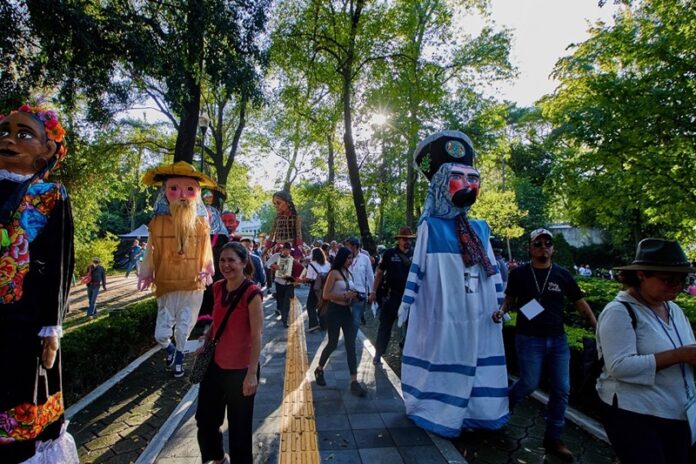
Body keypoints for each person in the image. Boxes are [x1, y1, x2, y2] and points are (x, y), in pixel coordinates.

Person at [398, 130, 509, 437]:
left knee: (477, 356)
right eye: (458, 177)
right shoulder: (430, 229)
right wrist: (406, 305)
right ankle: (439, 411)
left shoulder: (481, 229)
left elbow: (493, 273)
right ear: (440, 183)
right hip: (443, 314)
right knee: (446, 356)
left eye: (473, 178)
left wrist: (501, 304)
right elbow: (417, 271)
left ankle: (480, 412)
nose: (468, 185)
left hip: (479, 315)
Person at [0, 104, 79, 463]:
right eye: (5, 131)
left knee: (22, 406)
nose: (9, 140)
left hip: (26, 324)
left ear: (48, 150)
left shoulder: (49, 196)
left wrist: (52, 327)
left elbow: (59, 263)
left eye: (24, 134)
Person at [492, 228, 597, 461]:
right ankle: (502, 407)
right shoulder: (519, 274)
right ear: (529, 248)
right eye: (537, 244)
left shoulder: (562, 275)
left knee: (561, 390)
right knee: (529, 383)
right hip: (529, 338)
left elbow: (580, 304)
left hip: (558, 340)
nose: (543, 247)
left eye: (547, 243)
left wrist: (598, 327)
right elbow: (509, 300)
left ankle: (553, 438)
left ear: (553, 248)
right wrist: (500, 311)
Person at [595, 238, 696, 464]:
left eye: (683, 279)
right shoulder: (619, 312)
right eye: (668, 279)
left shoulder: (675, 309)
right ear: (641, 274)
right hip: (637, 416)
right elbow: (619, 367)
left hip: (678, 413)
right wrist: (679, 355)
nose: (677, 286)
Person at [139, 161, 216, 378]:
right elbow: (150, 250)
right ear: (165, 192)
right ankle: (171, 350)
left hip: (193, 285)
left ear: (197, 193)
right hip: (166, 284)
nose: (182, 194)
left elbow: (206, 249)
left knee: (184, 328)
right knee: (161, 334)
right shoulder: (157, 222)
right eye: (174, 188)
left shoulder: (202, 223)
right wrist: (147, 272)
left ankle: (180, 358)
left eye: (189, 189)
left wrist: (207, 267)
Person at [196, 242, 263, 464]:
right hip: (215, 366)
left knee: (239, 429)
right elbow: (217, 321)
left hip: (241, 370)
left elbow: (257, 335)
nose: (226, 265)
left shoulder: (252, 293)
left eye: (231, 260)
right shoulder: (217, 287)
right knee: (205, 420)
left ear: (243, 263)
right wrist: (206, 339)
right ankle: (217, 457)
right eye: (222, 260)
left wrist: (252, 373)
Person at [314, 247, 367, 397]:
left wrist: (354, 295)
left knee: (351, 345)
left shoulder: (347, 273)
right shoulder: (334, 273)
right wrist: (345, 295)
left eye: (352, 258)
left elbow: (348, 291)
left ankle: (354, 381)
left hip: (346, 311)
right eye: (348, 258)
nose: (350, 261)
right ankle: (319, 369)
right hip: (334, 311)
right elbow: (326, 294)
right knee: (333, 343)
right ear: (342, 258)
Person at [369, 227, 415, 366]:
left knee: (413, 326)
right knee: (385, 326)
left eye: (410, 239)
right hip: (392, 296)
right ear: (399, 240)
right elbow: (379, 273)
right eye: (405, 239)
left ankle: (405, 346)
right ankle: (378, 353)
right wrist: (373, 291)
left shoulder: (415, 254)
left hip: (411, 297)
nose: (408, 242)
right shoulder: (389, 253)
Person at [344, 236, 374, 335]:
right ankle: (348, 335)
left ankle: (351, 340)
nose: (346, 248)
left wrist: (372, 292)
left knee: (356, 320)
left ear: (355, 246)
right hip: (345, 293)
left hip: (359, 294)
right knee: (345, 319)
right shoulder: (344, 258)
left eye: (348, 246)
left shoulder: (365, 259)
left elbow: (370, 276)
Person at [265, 242, 295, 328]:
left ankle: (285, 320)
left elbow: (295, 270)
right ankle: (280, 310)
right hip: (279, 282)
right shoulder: (276, 256)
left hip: (289, 283)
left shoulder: (291, 258)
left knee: (287, 302)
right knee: (280, 300)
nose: (288, 252)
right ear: (283, 249)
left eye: (289, 250)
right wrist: (274, 266)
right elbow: (267, 264)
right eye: (287, 250)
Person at [266, 191, 303, 259]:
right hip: (277, 248)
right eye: (274, 204)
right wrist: (267, 247)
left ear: (288, 203)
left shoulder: (295, 218)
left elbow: (298, 232)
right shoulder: (277, 219)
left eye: (278, 203)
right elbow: (272, 234)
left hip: (291, 248)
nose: (276, 206)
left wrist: (299, 245)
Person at [305, 247, 331, 332]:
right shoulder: (327, 264)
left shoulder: (312, 264)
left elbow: (309, 277)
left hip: (315, 286)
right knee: (323, 305)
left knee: (310, 305)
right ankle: (324, 325)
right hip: (325, 286)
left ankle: (314, 324)